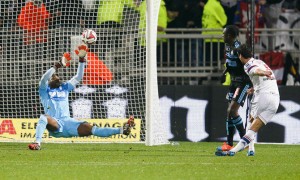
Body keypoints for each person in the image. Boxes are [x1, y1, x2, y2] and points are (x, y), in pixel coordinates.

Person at [28, 44, 135, 150]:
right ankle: (37, 143)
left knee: (93, 129)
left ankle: (122, 130)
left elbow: (78, 77)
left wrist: (81, 59)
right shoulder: (44, 91)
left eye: (56, 75)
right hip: (55, 123)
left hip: (69, 123)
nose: (56, 76)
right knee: (44, 117)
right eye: (53, 76)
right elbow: (43, 79)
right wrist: (57, 65)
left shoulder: (64, 88)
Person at [215, 44, 280, 156]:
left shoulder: (247, 66)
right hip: (275, 99)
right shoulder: (260, 62)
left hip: (262, 97)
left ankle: (234, 150)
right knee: (254, 127)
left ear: (240, 56)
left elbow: (255, 71)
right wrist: (253, 88)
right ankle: (250, 150)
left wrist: (262, 72)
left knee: (251, 122)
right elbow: (263, 78)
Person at [217, 25, 252, 152]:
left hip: (243, 82)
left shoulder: (239, 48)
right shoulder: (228, 47)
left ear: (230, 36)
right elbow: (230, 62)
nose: (222, 36)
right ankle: (229, 143)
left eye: (224, 34)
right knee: (229, 112)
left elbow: (249, 63)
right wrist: (224, 72)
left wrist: (252, 83)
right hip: (234, 82)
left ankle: (244, 141)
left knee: (232, 111)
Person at [201, 0, 227, 66]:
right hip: (216, 38)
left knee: (209, 62)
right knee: (217, 63)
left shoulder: (208, 4)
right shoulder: (216, 5)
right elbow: (224, 20)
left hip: (207, 37)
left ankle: (210, 76)